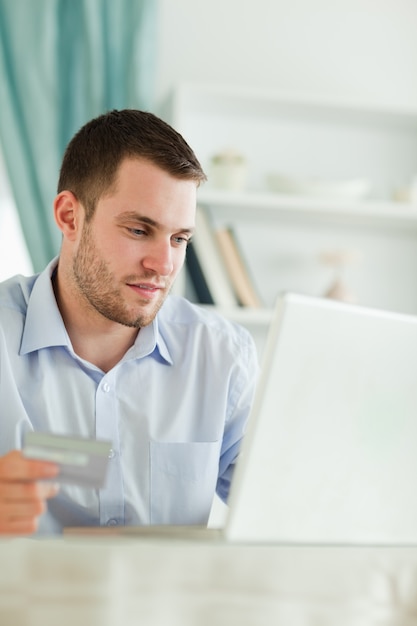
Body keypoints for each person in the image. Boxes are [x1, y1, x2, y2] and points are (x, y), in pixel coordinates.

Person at [0, 109, 259, 535]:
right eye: (139, 230)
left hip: (165, 601)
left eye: (179, 239)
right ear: (69, 217)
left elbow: (285, 507)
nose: (163, 264)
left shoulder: (223, 357)